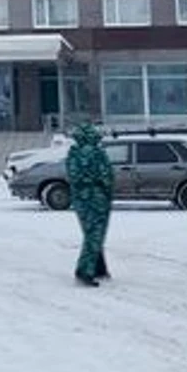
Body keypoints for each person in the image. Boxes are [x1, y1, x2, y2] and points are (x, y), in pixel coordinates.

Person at [66, 122, 114, 286]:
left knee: (90, 232)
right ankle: (85, 270)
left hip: (80, 200)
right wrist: (107, 190)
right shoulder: (97, 153)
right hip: (97, 198)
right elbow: (106, 176)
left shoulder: (72, 154)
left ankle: (99, 267)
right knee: (95, 234)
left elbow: (72, 177)